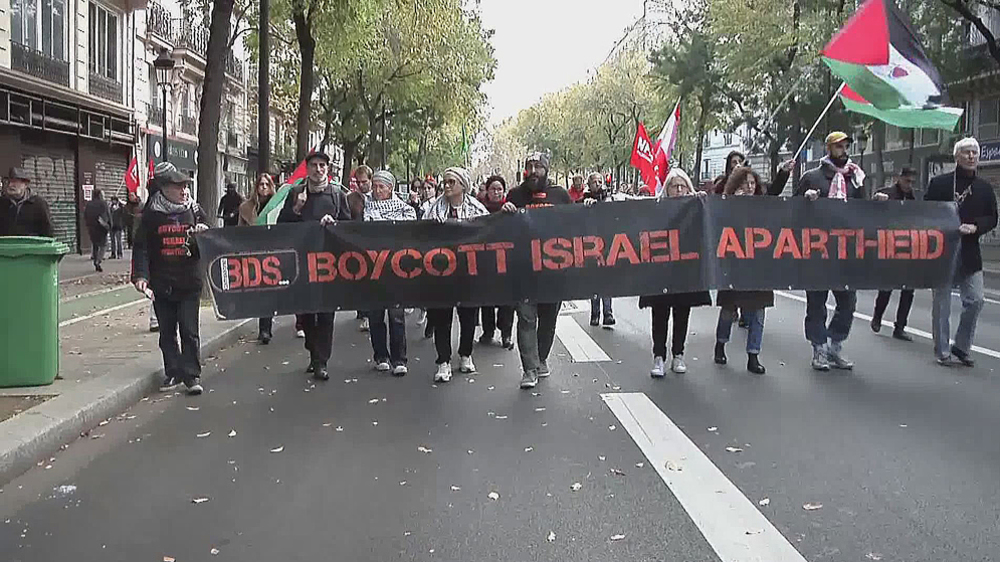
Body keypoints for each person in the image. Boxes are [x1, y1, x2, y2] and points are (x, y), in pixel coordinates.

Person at [796, 131, 889, 371]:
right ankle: (818, 349)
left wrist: (875, 203)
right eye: (838, 146)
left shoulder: (855, 177)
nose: (843, 150)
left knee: (847, 301)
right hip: (817, 251)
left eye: (846, 146)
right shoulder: (812, 177)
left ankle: (835, 346)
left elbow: (862, 212)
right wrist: (806, 199)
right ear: (828, 148)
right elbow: (792, 212)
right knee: (816, 302)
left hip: (846, 252)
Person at [131, 162, 211, 396]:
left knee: (189, 329)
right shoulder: (151, 215)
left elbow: (208, 243)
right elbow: (142, 247)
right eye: (178, 187)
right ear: (164, 188)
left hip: (189, 282)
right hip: (162, 282)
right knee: (167, 331)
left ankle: (192, 374)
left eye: (186, 186)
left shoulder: (194, 211)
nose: (184, 191)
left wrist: (202, 236)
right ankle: (173, 371)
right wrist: (141, 276)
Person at [278, 151, 352, 381]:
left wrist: (335, 224)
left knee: (326, 313)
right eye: (313, 165)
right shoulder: (295, 193)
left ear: (327, 169)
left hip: (329, 263)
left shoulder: (337, 195)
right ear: (307, 169)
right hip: (303, 262)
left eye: (322, 165)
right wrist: (297, 209)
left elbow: (349, 226)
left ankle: (322, 361)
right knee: (307, 312)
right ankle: (313, 351)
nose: (318, 169)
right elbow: (282, 225)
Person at [631, 169, 712, 376]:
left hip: (685, 271)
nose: (678, 190)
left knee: (682, 313)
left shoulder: (695, 207)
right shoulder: (657, 209)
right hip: (660, 271)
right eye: (674, 186)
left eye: (681, 186)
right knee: (660, 314)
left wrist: (702, 201)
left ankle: (678, 355)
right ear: (666, 189)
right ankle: (659, 357)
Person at [502, 152, 572, 389]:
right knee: (525, 317)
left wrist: (590, 207)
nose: (533, 171)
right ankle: (529, 369)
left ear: (546, 170)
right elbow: (501, 228)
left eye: (538, 167)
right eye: (529, 166)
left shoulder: (560, 195)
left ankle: (541, 358)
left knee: (548, 319)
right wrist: (505, 212)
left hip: (554, 271)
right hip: (523, 271)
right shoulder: (515, 195)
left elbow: (577, 223)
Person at [926, 137, 998, 367]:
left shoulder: (984, 188)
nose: (971, 156)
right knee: (942, 305)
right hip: (942, 252)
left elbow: (992, 217)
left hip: (969, 252)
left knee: (976, 299)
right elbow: (925, 212)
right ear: (957, 156)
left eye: (974, 153)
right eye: (966, 152)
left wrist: (976, 226)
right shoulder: (940, 183)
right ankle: (942, 351)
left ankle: (962, 346)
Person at [424, 166, 489, 383]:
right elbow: (419, 236)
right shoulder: (433, 210)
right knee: (441, 317)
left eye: (452, 182)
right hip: (440, 273)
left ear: (463, 185)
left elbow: (489, 232)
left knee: (468, 316)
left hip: (467, 272)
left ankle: (465, 354)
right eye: (445, 182)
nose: (447, 186)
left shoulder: (477, 209)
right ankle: (443, 361)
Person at [715, 166, 778, 375]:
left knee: (759, 311)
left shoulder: (763, 206)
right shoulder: (726, 204)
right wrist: (734, 203)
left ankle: (753, 355)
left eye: (752, 183)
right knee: (728, 309)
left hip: (758, 267)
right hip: (735, 266)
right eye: (745, 184)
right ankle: (721, 344)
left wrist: (784, 173)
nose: (750, 188)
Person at [359, 170, 416, 375]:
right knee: (376, 315)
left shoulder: (405, 210)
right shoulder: (364, 207)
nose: (377, 190)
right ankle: (380, 356)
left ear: (390, 188)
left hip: (395, 269)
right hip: (373, 269)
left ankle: (399, 359)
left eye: (381, 186)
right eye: (374, 186)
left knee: (396, 316)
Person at [870, 167, 919, 342]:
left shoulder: (915, 198)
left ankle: (900, 326)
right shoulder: (887, 193)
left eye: (912, 182)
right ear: (899, 178)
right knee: (887, 286)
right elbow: (869, 211)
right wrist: (877, 200)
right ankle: (877, 316)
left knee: (908, 290)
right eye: (907, 181)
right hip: (890, 245)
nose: (909, 185)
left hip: (910, 248)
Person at [239, 173, 278, 345]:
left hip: (271, 253)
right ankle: (263, 328)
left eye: (266, 184)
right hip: (254, 253)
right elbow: (240, 231)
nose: (263, 187)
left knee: (268, 292)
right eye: (260, 184)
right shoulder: (246, 207)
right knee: (259, 292)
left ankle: (266, 329)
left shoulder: (276, 205)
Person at [479, 175, 515, 349]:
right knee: (486, 300)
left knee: (507, 300)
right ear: (487, 190)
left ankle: (506, 334)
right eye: (493, 189)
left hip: (506, 260)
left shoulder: (509, 209)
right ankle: (488, 332)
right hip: (485, 260)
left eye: (499, 189)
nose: (496, 192)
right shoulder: (479, 209)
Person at [581, 173, 616, 326]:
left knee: (607, 281)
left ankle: (608, 314)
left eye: (600, 181)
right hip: (590, 245)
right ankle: (595, 314)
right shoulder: (584, 200)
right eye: (594, 182)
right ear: (589, 184)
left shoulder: (609, 198)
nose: (597, 184)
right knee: (594, 281)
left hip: (607, 244)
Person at [1, 167, 54, 237]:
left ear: (25, 184)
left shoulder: (38, 204)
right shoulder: (2, 203)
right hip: (7, 246)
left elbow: (47, 230)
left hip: (31, 246)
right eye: (9, 182)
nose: (10, 185)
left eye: (14, 182)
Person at [84, 189, 112, 272]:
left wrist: (88, 224)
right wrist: (110, 225)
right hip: (101, 227)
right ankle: (98, 260)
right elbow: (108, 214)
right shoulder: (103, 203)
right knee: (103, 245)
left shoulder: (89, 204)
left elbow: (85, 215)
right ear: (100, 195)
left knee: (95, 245)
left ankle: (95, 259)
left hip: (92, 227)